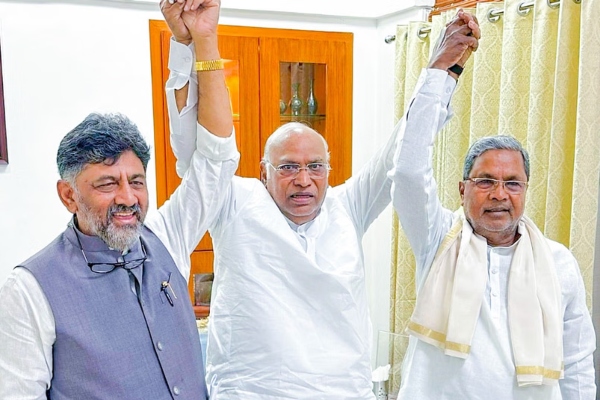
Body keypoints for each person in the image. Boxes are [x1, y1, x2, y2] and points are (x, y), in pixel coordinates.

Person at [161, 2, 481, 398]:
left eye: (315, 167)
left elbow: (402, 149)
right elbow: (195, 146)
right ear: (263, 172)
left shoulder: (347, 207)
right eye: (288, 167)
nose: (303, 180)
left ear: (329, 169)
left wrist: (441, 72)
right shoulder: (234, 202)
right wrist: (188, 43)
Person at [0, 1, 238, 397]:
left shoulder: (166, 237)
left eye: (137, 181)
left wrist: (200, 40)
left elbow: (217, 160)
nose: (128, 198)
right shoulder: (28, 290)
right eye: (108, 184)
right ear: (68, 195)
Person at [391, 11, 596, 399]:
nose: (499, 194)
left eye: (512, 183)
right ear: (462, 190)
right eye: (485, 181)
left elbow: (578, 363)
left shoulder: (558, 262)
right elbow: (407, 172)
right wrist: (441, 72)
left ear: (525, 190)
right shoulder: (438, 240)